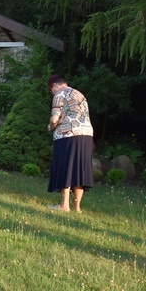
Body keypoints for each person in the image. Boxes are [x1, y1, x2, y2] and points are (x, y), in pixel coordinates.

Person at [47, 74, 94, 213]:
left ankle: (64, 206)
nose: (52, 93)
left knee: (66, 167)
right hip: (86, 134)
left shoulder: (59, 94)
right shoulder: (80, 94)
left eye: (51, 90)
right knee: (80, 169)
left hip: (67, 134)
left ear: (55, 85)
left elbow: (54, 118)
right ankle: (77, 207)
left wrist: (51, 126)